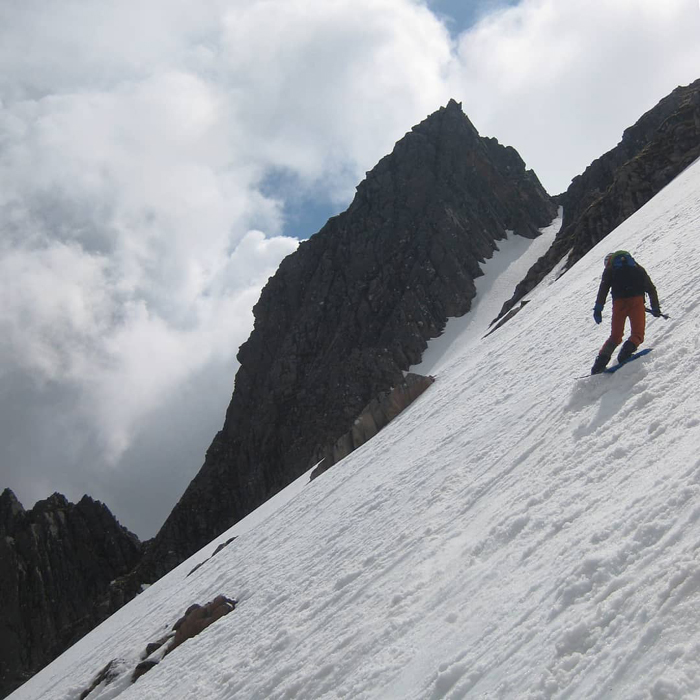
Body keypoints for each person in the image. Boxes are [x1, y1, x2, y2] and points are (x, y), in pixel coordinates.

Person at [590, 250, 661, 375]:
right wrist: (655, 308)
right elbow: (651, 288)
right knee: (637, 334)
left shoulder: (610, 270)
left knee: (615, 336)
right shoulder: (637, 267)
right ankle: (625, 353)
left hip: (619, 304)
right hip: (637, 301)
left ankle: (598, 365)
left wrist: (598, 308)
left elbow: (603, 289)